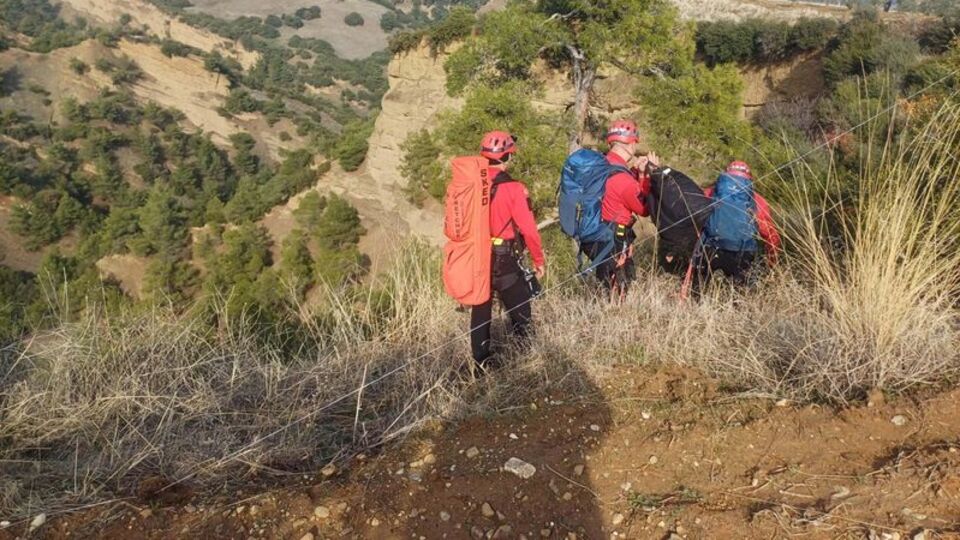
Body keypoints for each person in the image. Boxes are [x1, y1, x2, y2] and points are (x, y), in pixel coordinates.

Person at [470, 131, 546, 371]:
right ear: (508, 156)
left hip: (476, 256)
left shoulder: (472, 184)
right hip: (503, 258)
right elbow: (529, 230)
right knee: (519, 306)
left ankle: (481, 363)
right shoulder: (514, 188)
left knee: (481, 310)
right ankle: (525, 359)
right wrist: (538, 259)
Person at [580, 119, 659, 298]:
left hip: (593, 234)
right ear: (630, 144)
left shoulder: (602, 165)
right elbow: (644, 208)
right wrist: (646, 176)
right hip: (613, 239)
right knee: (619, 288)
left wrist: (635, 173)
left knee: (608, 285)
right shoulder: (624, 180)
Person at [689, 160, 781, 297]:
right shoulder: (757, 201)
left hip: (710, 249)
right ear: (749, 179)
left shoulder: (710, 193)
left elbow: (695, 220)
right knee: (741, 294)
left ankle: (696, 305)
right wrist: (772, 262)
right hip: (742, 252)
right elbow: (770, 235)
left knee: (699, 289)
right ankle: (738, 310)